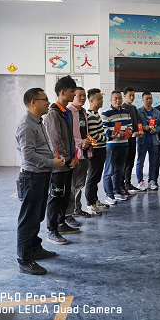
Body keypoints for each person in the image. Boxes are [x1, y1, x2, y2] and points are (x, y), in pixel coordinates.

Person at [15, 88, 64, 275]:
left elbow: (41, 148)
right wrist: (51, 162)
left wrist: (53, 160)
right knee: (28, 220)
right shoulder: (26, 125)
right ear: (33, 103)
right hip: (32, 177)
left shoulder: (38, 122)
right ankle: (24, 260)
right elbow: (28, 155)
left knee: (37, 216)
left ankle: (35, 248)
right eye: (45, 99)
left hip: (41, 176)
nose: (48, 102)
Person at [44, 76, 80, 246]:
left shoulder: (67, 113)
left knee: (65, 196)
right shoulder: (53, 114)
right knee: (56, 197)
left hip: (69, 162)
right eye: (72, 91)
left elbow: (70, 139)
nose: (74, 94)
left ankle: (61, 223)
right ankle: (51, 230)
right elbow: (55, 141)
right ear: (63, 92)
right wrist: (65, 159)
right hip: (59, 165)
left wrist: (74, 157)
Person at [101, 91, 138, 205]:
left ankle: (117, 192)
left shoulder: (126, 112)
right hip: (111, 146)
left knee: (119, 170)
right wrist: (114, 134)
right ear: (111, 100)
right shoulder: (106, 113)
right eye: (115, 98)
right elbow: (103, 129)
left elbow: (130, 125)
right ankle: (109, 195)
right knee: (109, 171)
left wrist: (129, 131)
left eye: (119, 98)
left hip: (124, 144)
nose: (118, 100)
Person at [65, 87, 94, 224]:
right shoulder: (68, 112)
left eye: (84, 95)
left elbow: (84, 131)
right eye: (79, 95)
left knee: (80, 184)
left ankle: (77, 209)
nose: (83, 98)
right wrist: (79, 142)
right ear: (73, 96)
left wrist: (89, 141)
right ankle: (68, 215)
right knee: (71, 185)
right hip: (74, 154)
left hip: (85, 152)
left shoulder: (83, 112)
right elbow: (67, 135)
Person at [84, 88, 110, 215]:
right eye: (99, 99)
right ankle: (90, 204)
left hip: (101, 148)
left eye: (102, 99)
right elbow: (94, 136)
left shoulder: (95, 114)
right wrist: (109, 138)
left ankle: (95, 200)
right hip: (96, 150)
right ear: (91, 100)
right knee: (93, 177)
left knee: (97, 176)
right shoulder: (91, 116)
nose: (101, 101)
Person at [136, 92, 160, 191]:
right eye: (147, 99)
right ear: (142, 100)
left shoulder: (157, 112)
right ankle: (140, 182)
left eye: (150, 98)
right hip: (142, 141)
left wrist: (155, 130)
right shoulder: (138, 111)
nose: (149, 100)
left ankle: (152, 181)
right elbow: (136, 124)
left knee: (153, 163)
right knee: (140, 163)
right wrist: (143, 127)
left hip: (154, 141)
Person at [121, 87, 140, 194]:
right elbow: (124, 125)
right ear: (124, 96)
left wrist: (138, 131)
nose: (132, 97)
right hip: (125, 140)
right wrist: (131, 133)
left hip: (133, 139)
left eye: (133, 95)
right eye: (130, 95)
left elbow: (136, 123)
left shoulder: (134, 108)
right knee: (124, 163)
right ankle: (122, 185)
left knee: (130, 162)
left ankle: (128, 183)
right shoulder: (123, 108)